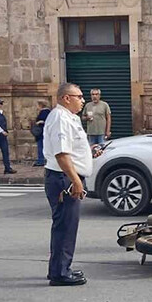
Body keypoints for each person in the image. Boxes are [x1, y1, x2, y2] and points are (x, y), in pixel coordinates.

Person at [43, 83, 103, 286]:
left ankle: (60, 268)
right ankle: (60, 273)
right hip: (64, 178)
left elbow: (71, 149)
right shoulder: (60, 118)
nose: (83, 100)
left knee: (65, 226)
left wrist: (90, 150)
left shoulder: (70, 117)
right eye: (79, 96)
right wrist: (76, 181)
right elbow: (61, 154)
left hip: (67, 176)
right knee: (65, 227)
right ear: (66, 98)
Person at [33, 101, 51, 167]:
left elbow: (45, 120)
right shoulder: (48, 111)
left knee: (41, 146)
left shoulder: (44, 112)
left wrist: (39, 122)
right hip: (43, 132)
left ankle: (41, 160)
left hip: (41, 132)